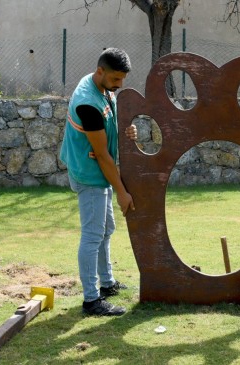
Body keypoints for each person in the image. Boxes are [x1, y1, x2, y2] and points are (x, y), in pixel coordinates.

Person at [60, 48, 137, 315]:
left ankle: (107, 283)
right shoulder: (87, 103)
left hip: (97, 169)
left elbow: (110, 123)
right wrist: (122, 191)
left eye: (122, 79)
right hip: (90, 173)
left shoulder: (102, 88)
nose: (120, 85)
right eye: (116, 79)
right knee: (92, 235)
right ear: (100, 71)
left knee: (106, 229)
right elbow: (103, 156)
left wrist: (127, 131)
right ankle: (92, 300)